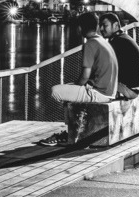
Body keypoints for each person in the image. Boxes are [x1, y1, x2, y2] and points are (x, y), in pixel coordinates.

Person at [40, 12, 118, 147]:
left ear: (80, 28)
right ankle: (73, 128)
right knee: (70, 89)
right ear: (97, 26)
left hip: (99, 93)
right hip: (109, 91)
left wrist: (77, 85)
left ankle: (69, 133)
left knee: (56, 91)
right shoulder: (103, 42)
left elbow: (85, 76)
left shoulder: (90, 44)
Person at [100, 12, 139, 96]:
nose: (101, 29)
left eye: (105, 25)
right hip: (133, 88)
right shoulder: (123, 38)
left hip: (126, 89)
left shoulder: (118, 42)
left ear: (115, 25)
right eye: (100, 25)